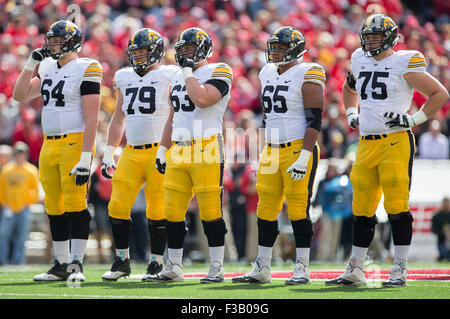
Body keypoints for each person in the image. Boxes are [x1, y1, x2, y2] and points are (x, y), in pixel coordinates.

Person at [325, 14, 449, 288]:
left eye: (376, 37)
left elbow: (440, 94)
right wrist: (351, 112)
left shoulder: (405, 60)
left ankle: (399, 268)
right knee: (362, 208)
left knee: (396, 206)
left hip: (395, 141)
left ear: (391, 37)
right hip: (366, 143)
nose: (370, 42)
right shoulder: (359, 58)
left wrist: (414, 119)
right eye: (367, 37)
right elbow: (349, 88)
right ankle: (356, 268)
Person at [232, 26, 325, 285]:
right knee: (265, 209)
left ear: (295, 49)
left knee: (297, 210)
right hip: (271, 149)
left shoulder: (309, 71)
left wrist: (305, 156)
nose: (276, 52)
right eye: (274, 47)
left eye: (282, 48)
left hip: (298, 148)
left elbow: (315, 120)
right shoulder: (267, 72)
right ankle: (262, 266)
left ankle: (302, 267)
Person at [13, 20, 102, 282]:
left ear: (73, 42)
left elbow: (92, 117)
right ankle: (61, 264)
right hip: (49, 144)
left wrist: (87, 156)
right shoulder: (48, 66)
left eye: (57, 41)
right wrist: (31, 63)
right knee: (53, 205)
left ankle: (76, 264)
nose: (52, 45)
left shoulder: (87, 66)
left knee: (76, 204)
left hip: (75, 142)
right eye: (50, 40)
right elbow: (20, 95)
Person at [146, 27, 233, 284]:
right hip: (179, 147)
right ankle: (173, 266)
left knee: (210, 210)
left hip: (206, 146)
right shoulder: (178, 77)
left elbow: (202, 99)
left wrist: (185, 73)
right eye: (182, 50)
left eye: (190, 50)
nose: (185, 55)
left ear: (204, 49)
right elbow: (174, 115)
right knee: (171, 210)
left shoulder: (220, 70)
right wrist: (163, 148)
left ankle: (216, 266)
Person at [100, 28, 177, 281]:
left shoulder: (169, 74)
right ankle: (122, 261)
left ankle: (155, 262)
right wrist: (109, 151)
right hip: (132, 151)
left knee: (157, 208)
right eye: (135, 52)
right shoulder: (124, 76)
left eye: (143, 51)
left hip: (159, 150)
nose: (139, 56)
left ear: (155, 52)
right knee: (117, 205)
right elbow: (119, 116)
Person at [0, 142, 39, 264]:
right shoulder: (6, 169)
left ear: (26, 154)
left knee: (21, 236)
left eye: (21, 153)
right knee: (4, 235)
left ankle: (18, 260)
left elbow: (35, 189)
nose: (19, 156)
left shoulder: (31, 170)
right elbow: (1, 188)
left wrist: (27, 202)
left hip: (24, 208)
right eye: (17, 153)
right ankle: (2, 259)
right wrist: (5, 203)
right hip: (8, 208)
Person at [431, 197, 450, 261]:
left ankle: (441, 257)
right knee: (445, 253)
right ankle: (442, 256)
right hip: (442, 240)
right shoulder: (437, 216)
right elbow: (434, 230)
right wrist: (444, 233)